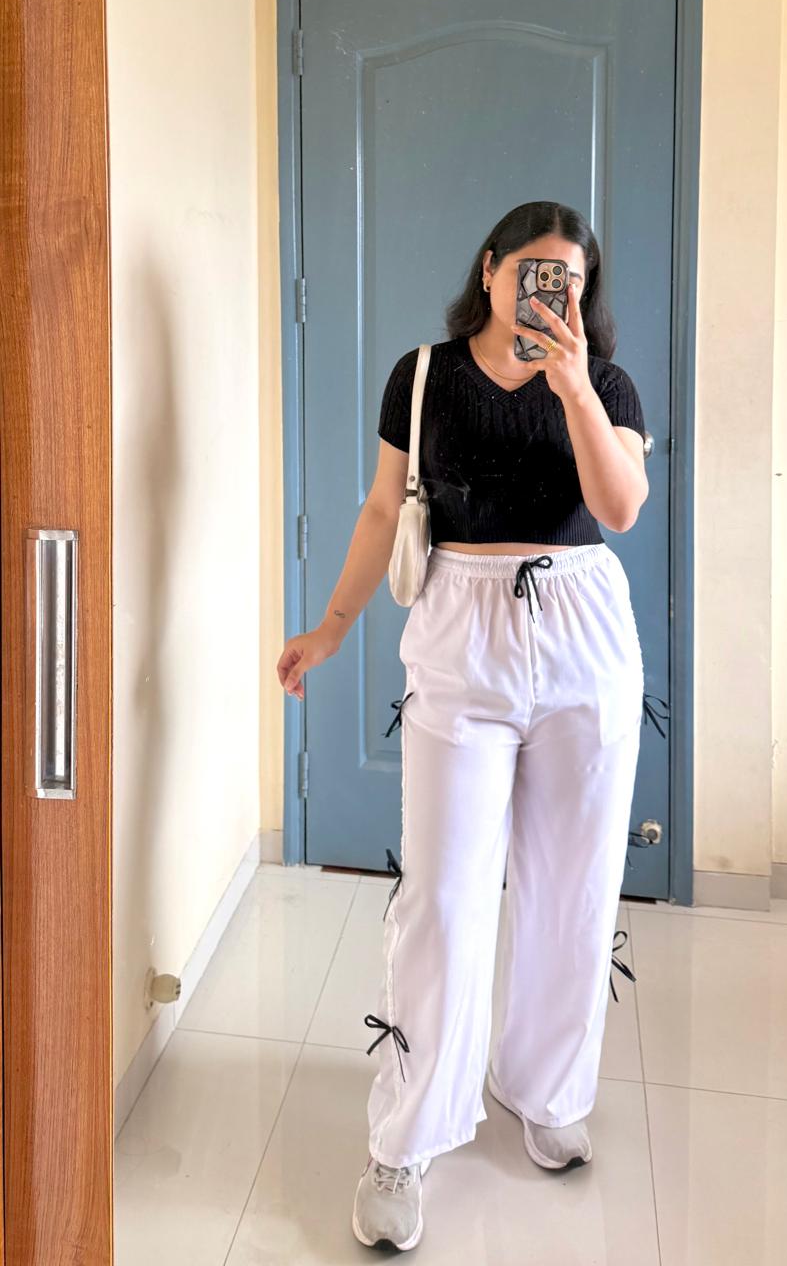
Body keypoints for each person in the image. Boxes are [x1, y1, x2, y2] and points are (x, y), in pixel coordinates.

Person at [276, 200, 649, 1252]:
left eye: (568, 279)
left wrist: (574, 385)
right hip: (459, 632)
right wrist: (331, 627)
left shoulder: (607, 383)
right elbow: (380, 509)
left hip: (580, 632)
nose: (548, 292)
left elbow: (620, 507)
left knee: (573, 886)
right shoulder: (424, 374)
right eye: (531, 271)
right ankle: (405, 1137)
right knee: (440, 897)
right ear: (490, 270)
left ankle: (544, 1088)